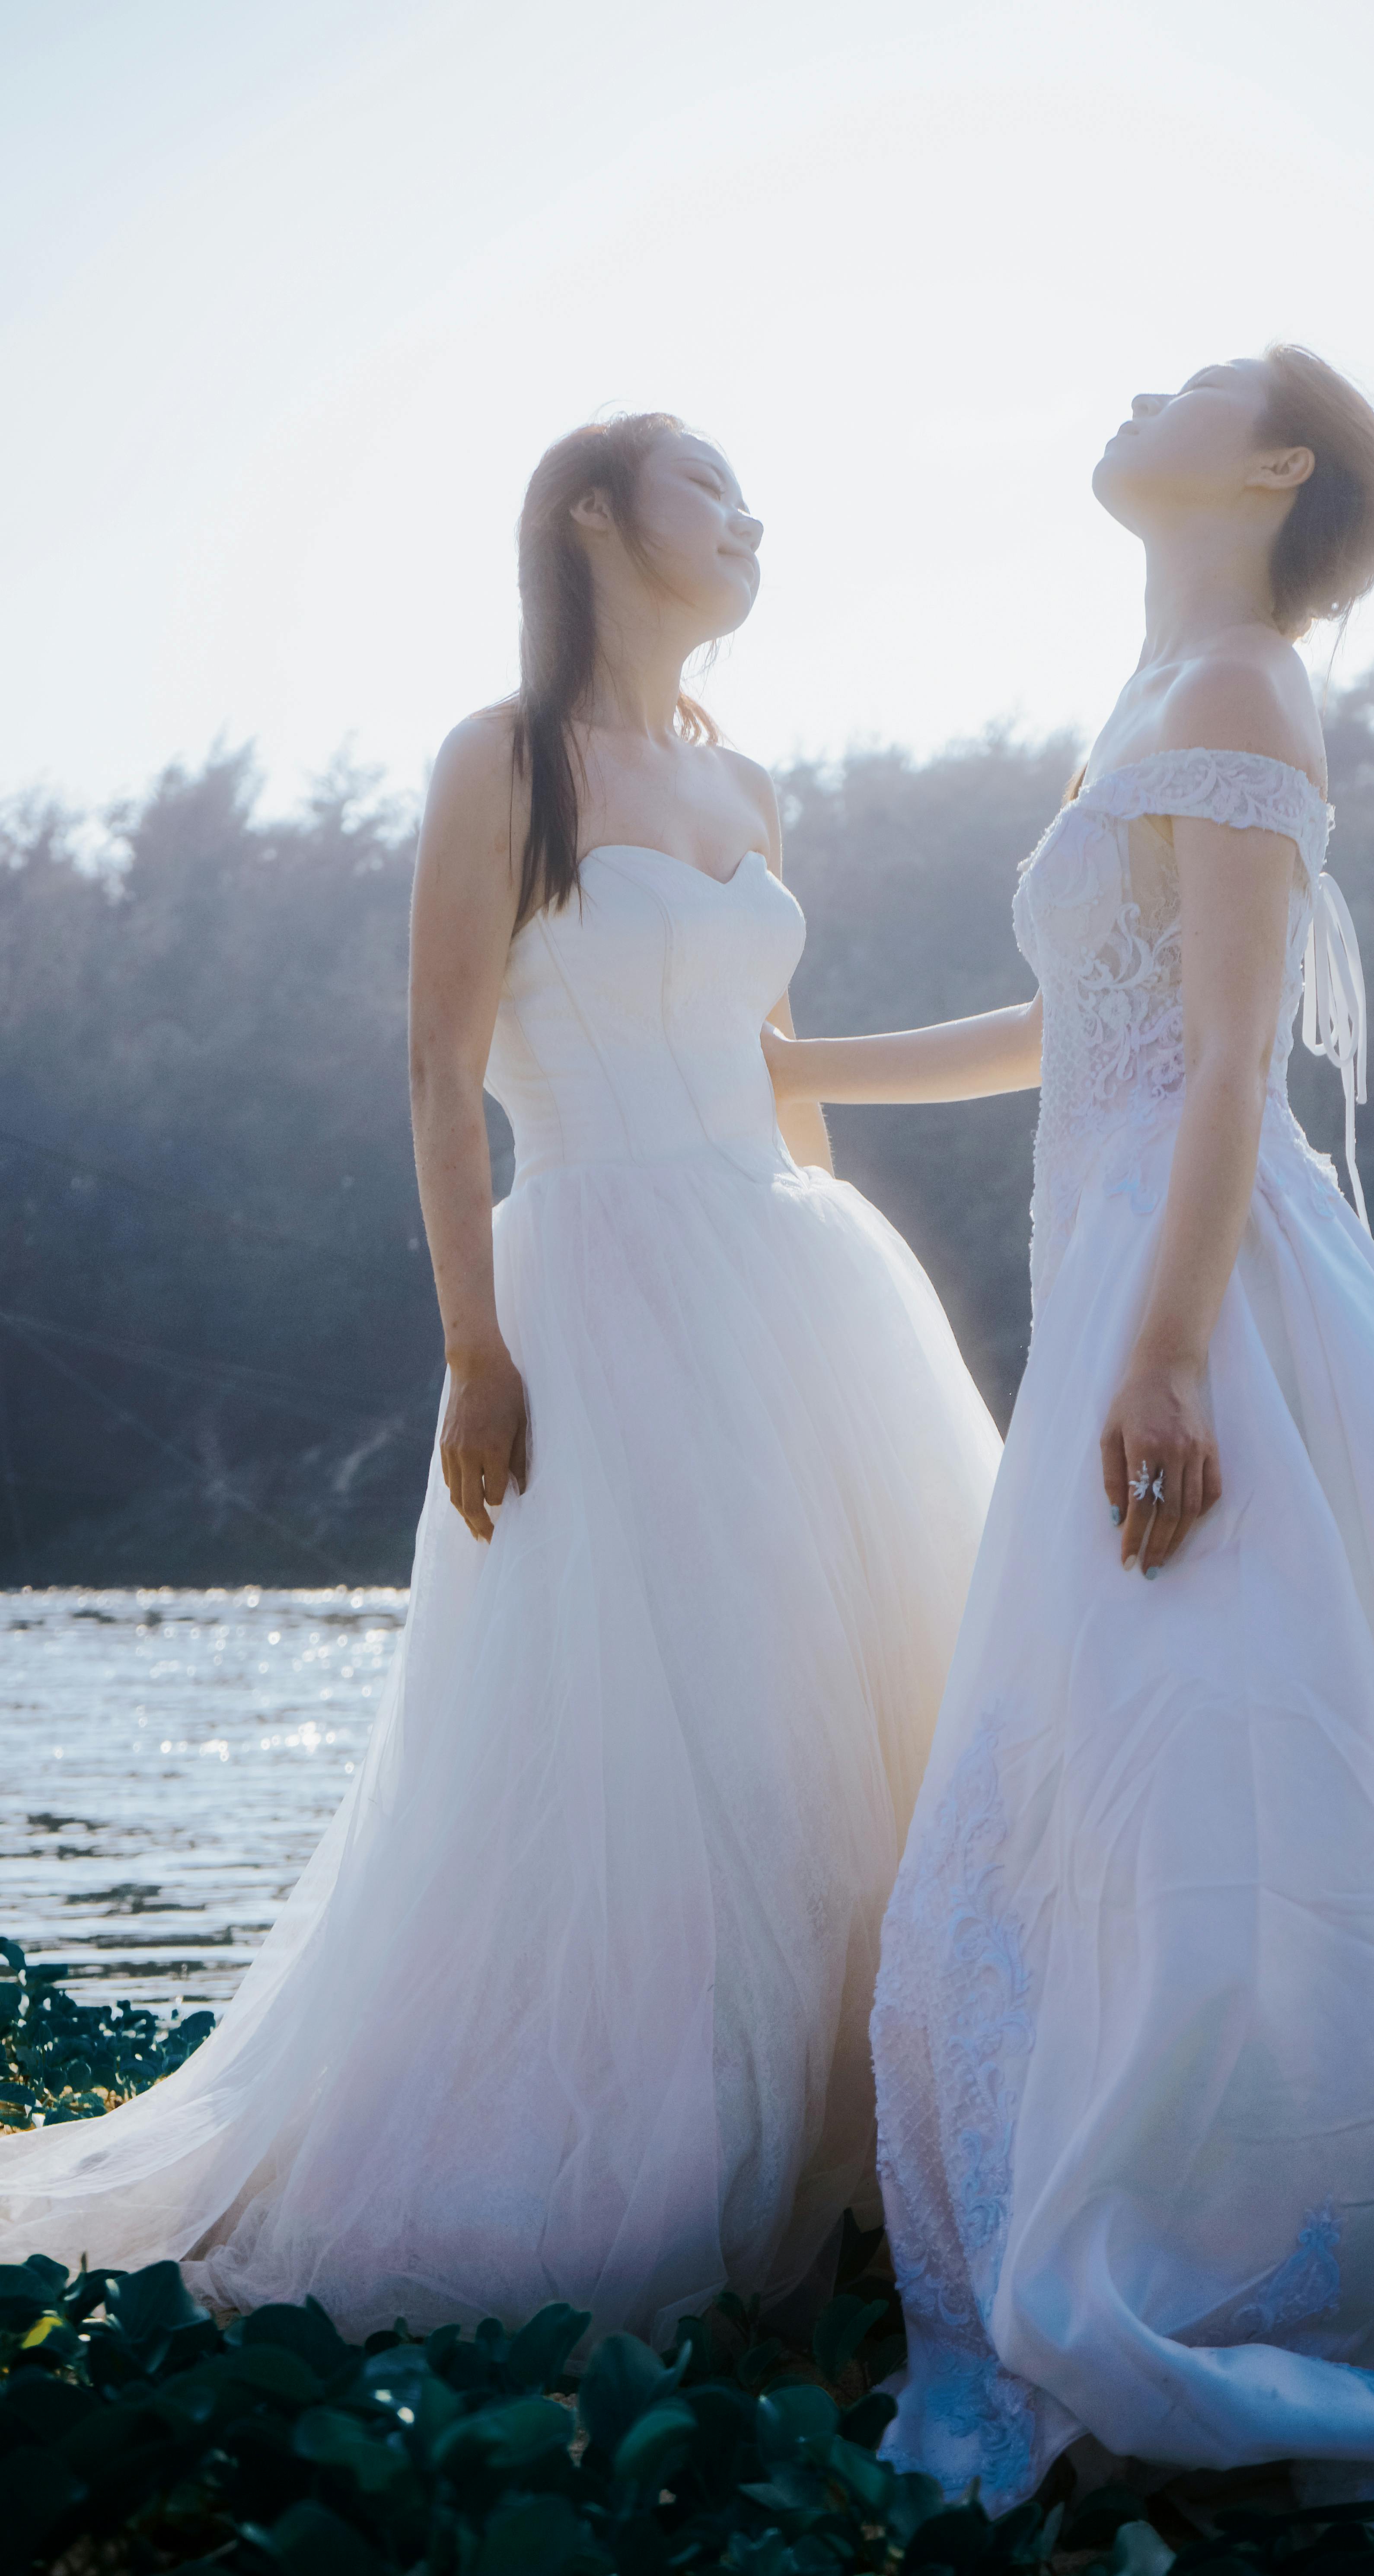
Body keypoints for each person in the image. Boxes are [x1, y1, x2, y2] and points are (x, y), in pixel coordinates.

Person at [0, 413, 1001, 2343]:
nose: (750, 518)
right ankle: (629, 2166)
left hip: (792, 1288)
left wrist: (849, 1306)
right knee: (642, 1739)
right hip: (594, 1280)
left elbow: (775, 1072)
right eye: (712, 485)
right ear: (598, 519)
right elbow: (439, 1066)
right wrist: (474, 1345)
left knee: (839, 1722)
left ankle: (850, 2157)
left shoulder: (752, 787)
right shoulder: (505, 758)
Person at [764, 349, 1374, 2509]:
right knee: (1136, 1751)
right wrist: (803, 1083)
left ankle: (1229, 2259)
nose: (1131, 384)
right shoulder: (1153, 698)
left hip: (1211, 1289)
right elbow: (1084, 1022)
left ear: (1265, 468)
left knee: (1220, 1731)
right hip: (1130, 1276)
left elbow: (1230, 1061)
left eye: (1188, 379)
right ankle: (1154, 2196)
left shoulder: (1244, 683)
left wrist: (1161, 1355)